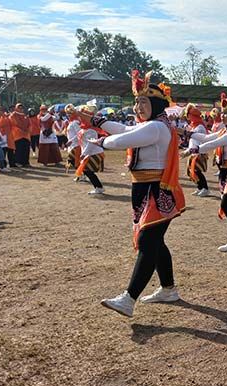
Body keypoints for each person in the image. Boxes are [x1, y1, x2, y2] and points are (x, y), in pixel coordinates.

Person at [84, 70, 186, 317]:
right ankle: (168, 289)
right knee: (155, 241)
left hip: (156, 189)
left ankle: (129, 299)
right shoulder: (150, 125)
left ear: (157, 105)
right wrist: (96, 121)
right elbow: (124, 129)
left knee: (147, 242)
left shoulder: (156, 127)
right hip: (144, 188)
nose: (138, 106)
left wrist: (101, 141)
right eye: (137, 102)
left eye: (144, 102)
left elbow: (123, 140)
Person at [189, 93, 227, 255]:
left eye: (226, 113)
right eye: (222, 113)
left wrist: (193, 149)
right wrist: (186, 133)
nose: (222, 116)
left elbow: (213, 143)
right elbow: (206, 137)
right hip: (225, 172)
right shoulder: (225, 130)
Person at [70, 105, 105, 195]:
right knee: (87, 171)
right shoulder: (84, 129)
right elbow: (78, 136)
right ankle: (98, 187)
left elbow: (91, 143)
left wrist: (84, 153)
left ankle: (99, 187)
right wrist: (70, 141)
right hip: (89, 153)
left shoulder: (91, 130)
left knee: (87, 170)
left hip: (94, 153)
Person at [183, 103, 210, 197]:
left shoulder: (200, 127)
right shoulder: (194, 126)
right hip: (193, 152)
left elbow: (201, 141)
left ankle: (205, 188)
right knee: (192, 171)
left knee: (197, 171)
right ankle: (199, 187)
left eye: (189, 116)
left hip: (199, 152)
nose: (188, 118)